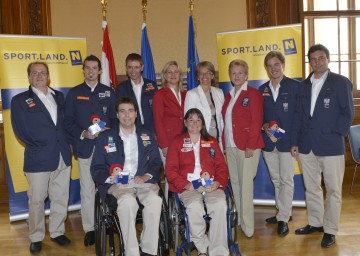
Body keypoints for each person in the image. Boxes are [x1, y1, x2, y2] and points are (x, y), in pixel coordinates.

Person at [291, 44, 354, 248]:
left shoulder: (341, 82)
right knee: (312, 188)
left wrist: (337, 134)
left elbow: (347, 113)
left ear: (328, 59)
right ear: (309, 61)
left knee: (334, 190)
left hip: (331, 145)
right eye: (313, 59)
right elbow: (298, 116)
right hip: (306, 145)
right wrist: (295, 142)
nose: (317, 62)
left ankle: (330, 229)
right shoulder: (303, 85)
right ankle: (316, 223)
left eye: (321, 58)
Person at [11, 61, 72, 253]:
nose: (39, 76)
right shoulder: (20, 100)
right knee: (36, 199)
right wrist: (41, 145)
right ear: (29, 77)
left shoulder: (59, 96)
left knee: (60, 196)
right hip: (38, 157)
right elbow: (20, 130)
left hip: (62, 155)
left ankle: (57, 232)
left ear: (48, 76)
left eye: (43, 72)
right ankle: (36, 236)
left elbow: (64, 124)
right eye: (35, 73)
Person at [91, 96, 162, 256]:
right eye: (122, 111)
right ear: (117, 115)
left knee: (155, 201)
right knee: (128, 202)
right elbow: (96, 168)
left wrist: (146, 176)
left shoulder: (147, 135)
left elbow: (156, 162)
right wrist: (111, 178)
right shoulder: (105, 137)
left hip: (143, 183)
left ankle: (148, 250)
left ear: (136, 113)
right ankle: (131, 252)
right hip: (119, 186)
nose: (127, 115)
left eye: (130, 111)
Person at [64, 55, 117, 247]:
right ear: (83, 70)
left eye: (95, 68)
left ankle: (109, 220)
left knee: (108, 186)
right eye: (87, 68)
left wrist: (108, 131)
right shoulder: (74, 93)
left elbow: (116, 120)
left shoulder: (109, 92)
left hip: (107, 151)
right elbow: (67, 122)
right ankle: (90, 228)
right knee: (87, 189)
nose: (91, 71)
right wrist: (83, 133)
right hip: (85, 148)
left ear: (100, 71)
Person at [166, 108, 229, 256]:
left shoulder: (211, 141)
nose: (195, 123)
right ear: (185, 123)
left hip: (210, 185)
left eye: (198, 120)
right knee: (195, 207)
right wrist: (185, 184)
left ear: (202, 123)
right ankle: (201, 247)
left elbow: (221, 166)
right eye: (191, 120)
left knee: (220, 205)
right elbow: (170, 170)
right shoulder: (177, 141)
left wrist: (218, 182)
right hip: (188, 187)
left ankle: (218, 251)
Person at [258, 51, 300, 236]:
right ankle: (282, 211)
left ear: (283, 65)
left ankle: (284, 218)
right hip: (269, 142)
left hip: (288, 142)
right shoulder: (262, 90)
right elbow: (259, 117)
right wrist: (264, 125)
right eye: (270, 65)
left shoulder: (295, 87)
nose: (273, 68)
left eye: (277, 64)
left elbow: (299, 117)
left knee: (286, 179)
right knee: (276, 179)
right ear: (266, 68)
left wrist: (296, 142)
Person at [222, 59, 264, 238]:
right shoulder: (229, 95)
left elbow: (257, 121)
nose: (237, 76)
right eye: (233, 73)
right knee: (236, 183)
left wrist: (251, 145)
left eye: (240, 73)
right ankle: (239, 218)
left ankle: (248, 225)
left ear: (246, 75)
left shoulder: (253, 94)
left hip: (247, 146)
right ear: (230, 76)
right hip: (230, 146)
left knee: (246, 186)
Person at [184, 61, 225, 151]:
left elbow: (221, 118)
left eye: (208, 73)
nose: (204, 76)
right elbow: (188, 121)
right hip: (200, 140)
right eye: (201, 73)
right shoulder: (192, 94)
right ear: (198, 77)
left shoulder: (219, 93)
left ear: (212, 76)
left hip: (217, 140)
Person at [115, 53, 158, 132]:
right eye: (130, 67)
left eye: (136, 67)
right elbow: (118, 112)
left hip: (151, 131)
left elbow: (157, 111)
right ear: (126, 69)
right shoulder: (120, 89)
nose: (133, 71)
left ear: (142, 68)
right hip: (130, 131)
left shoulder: (152, 86)